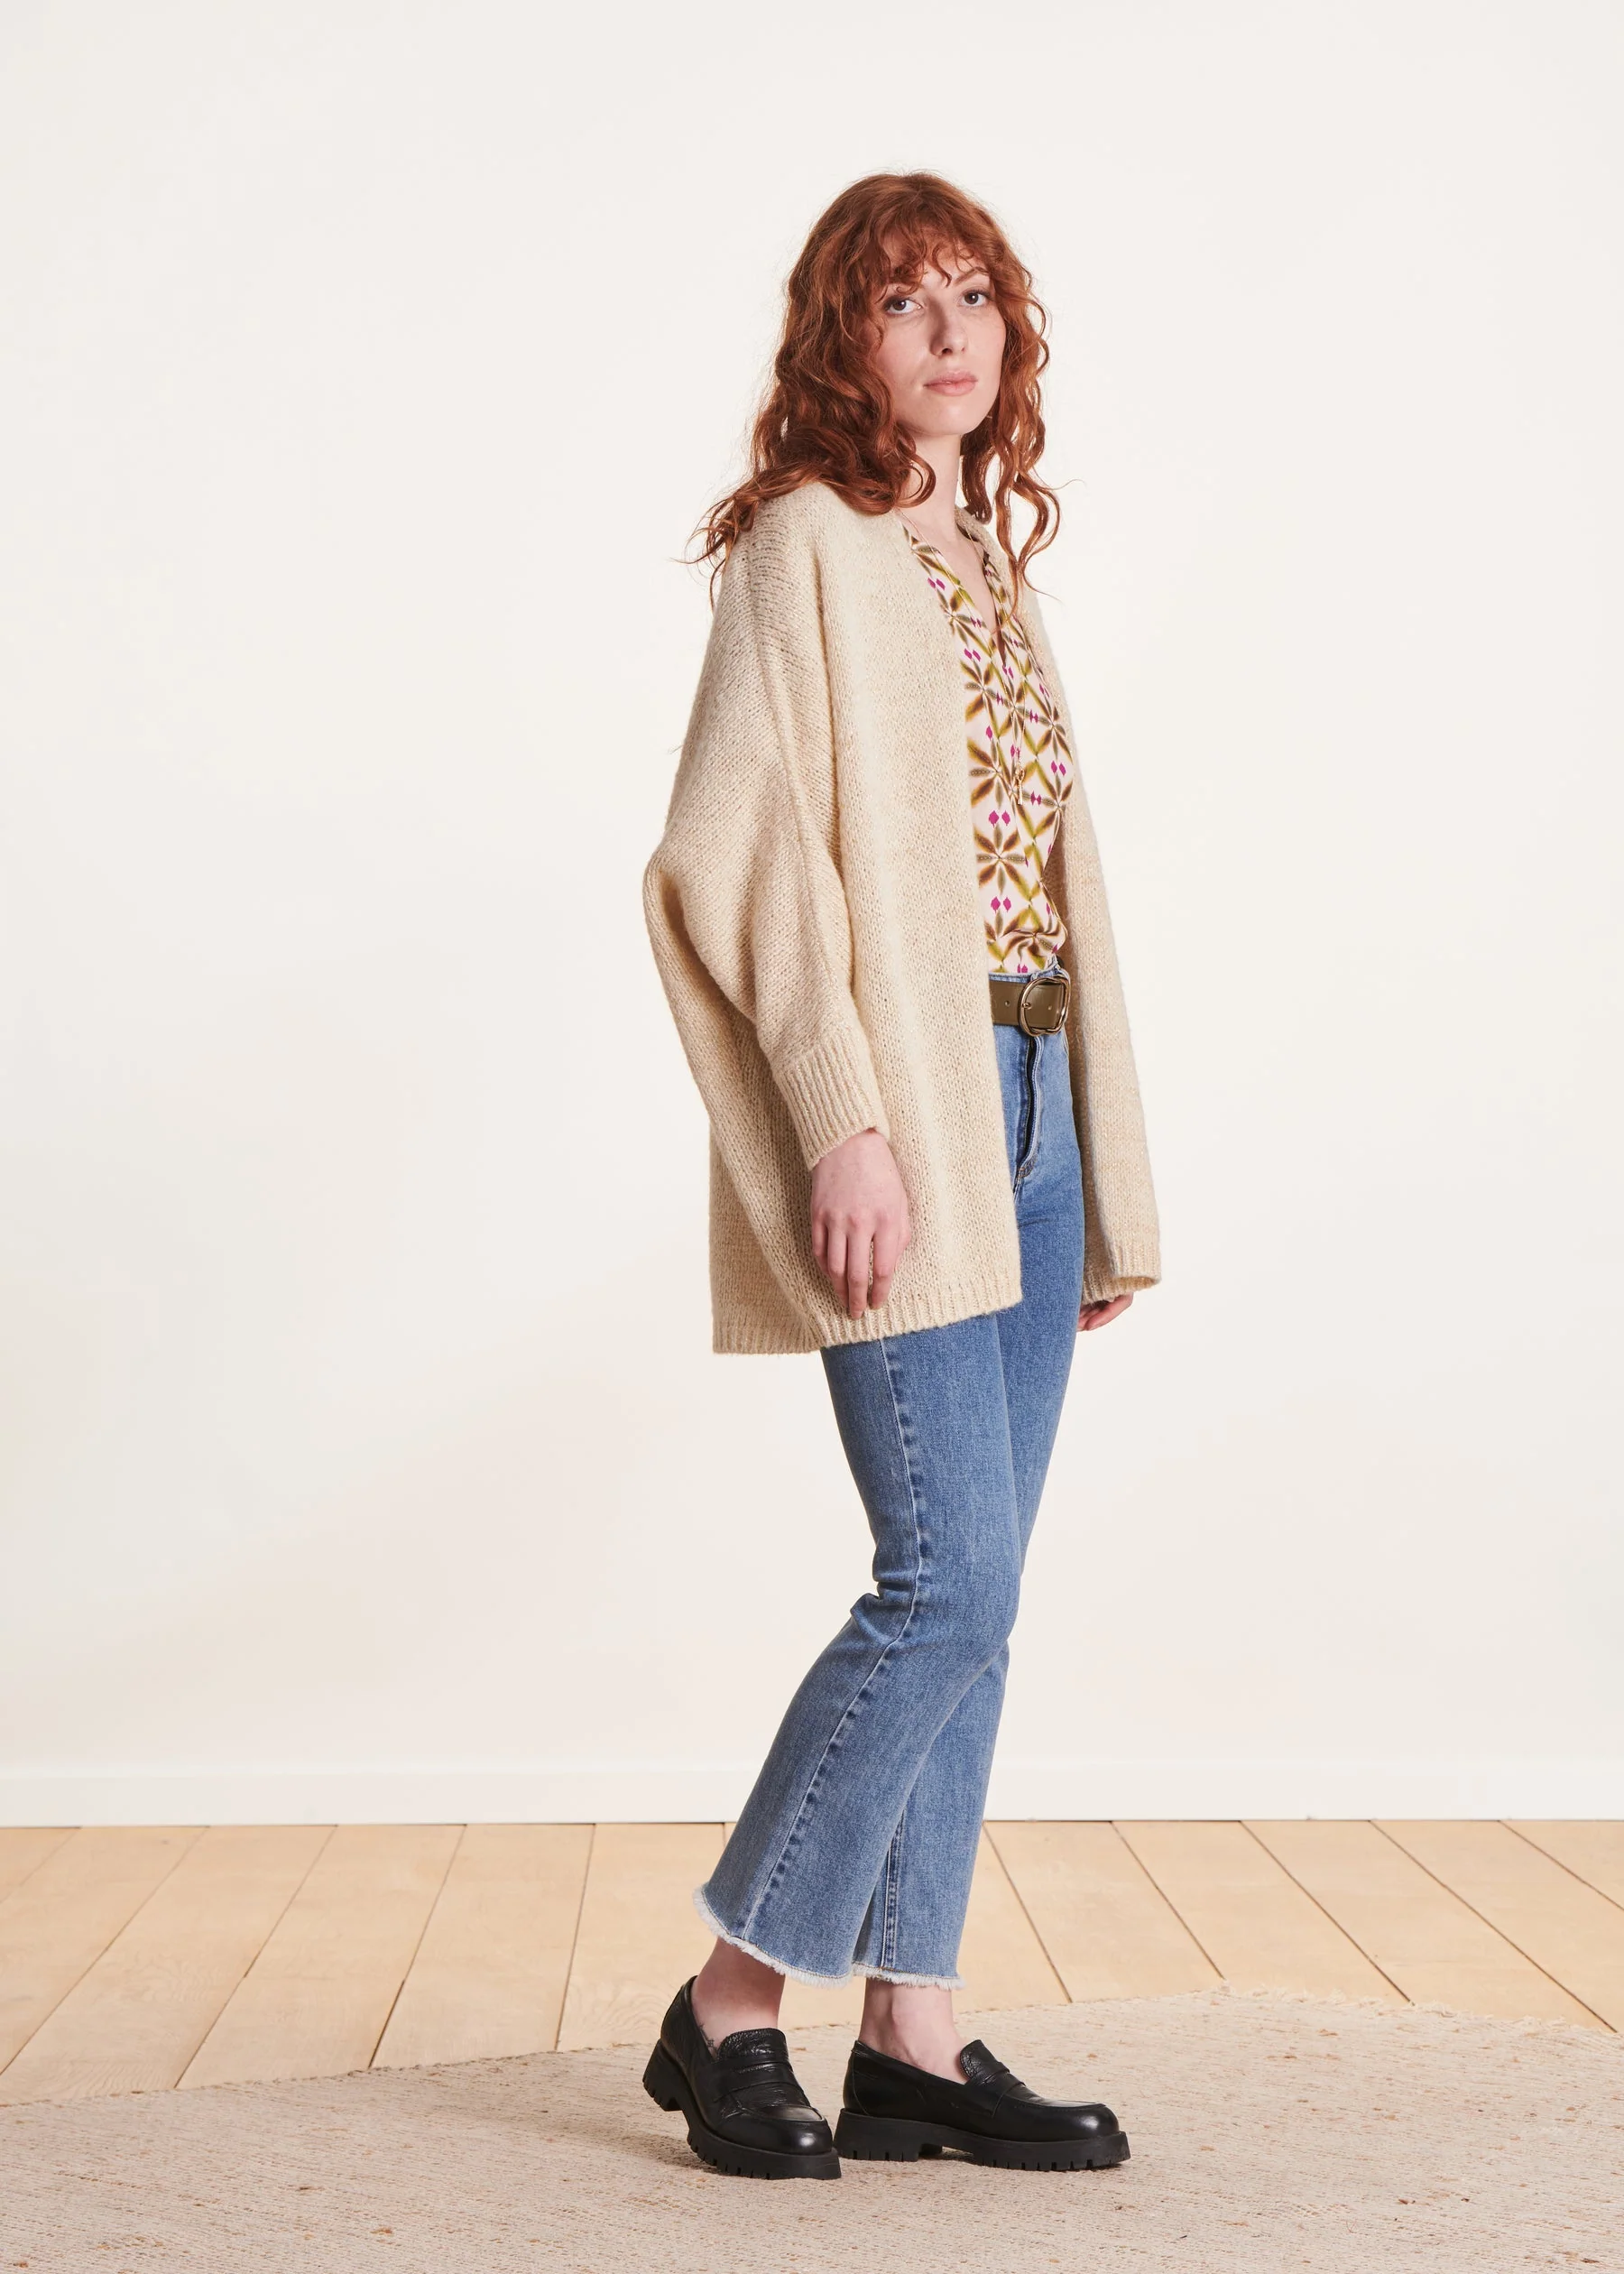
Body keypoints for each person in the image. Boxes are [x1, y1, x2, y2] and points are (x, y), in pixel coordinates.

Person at [640, 171, 1160, 2181]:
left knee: (986, 1601)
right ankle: (729, 2002)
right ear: (838, 342)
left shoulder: (980, 551)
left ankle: (913, 2038)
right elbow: (741, 854)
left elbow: (1041, 884)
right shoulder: (809, 544)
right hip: (914, 1121)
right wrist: (842, 1116)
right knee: (945, 1580)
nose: (950, 332)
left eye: (975, 295)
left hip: (1034, 1111)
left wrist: (1095, 1173)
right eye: (901, 301)